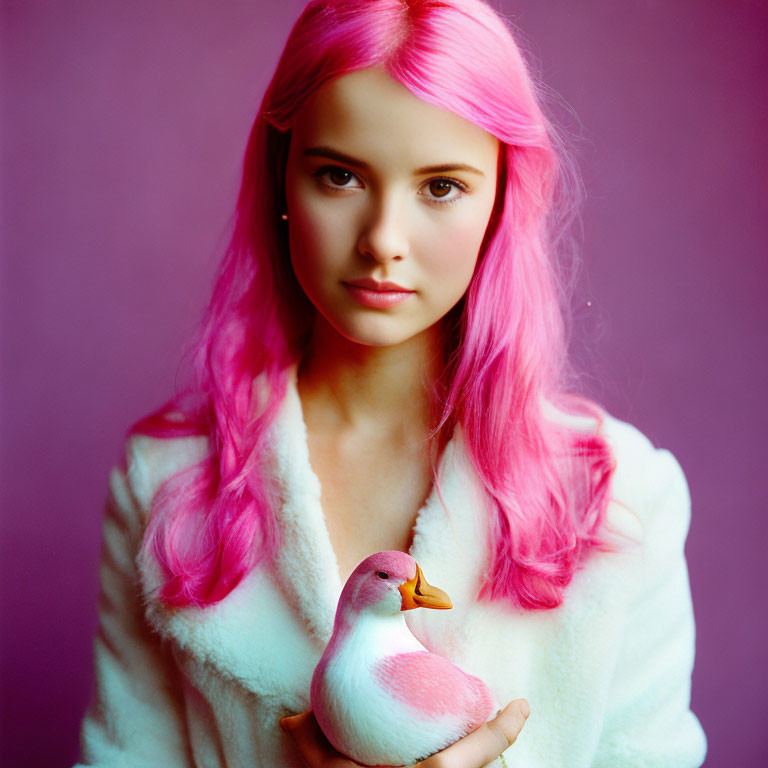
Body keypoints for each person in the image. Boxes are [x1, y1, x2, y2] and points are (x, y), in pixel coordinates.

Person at [75, 1, 707, 766]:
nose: (383, 241)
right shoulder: (165, 484)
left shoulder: (624, 499)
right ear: (283, 176)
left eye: (441, 187)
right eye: (339, 175)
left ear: (500, 200)